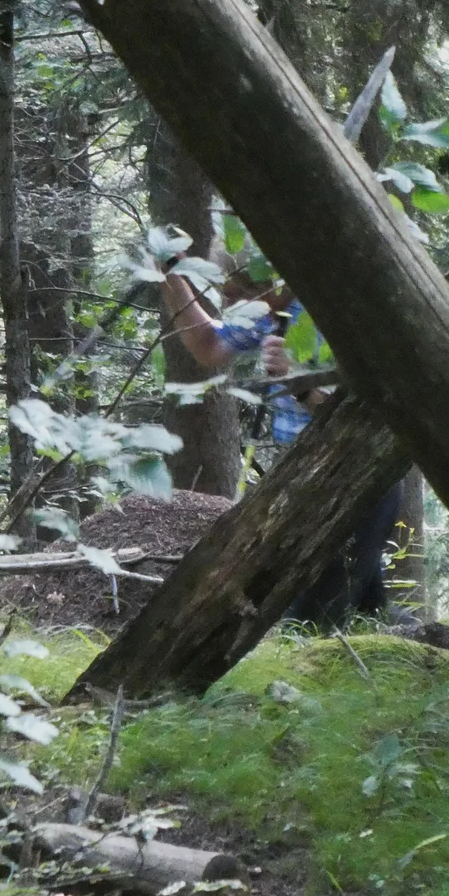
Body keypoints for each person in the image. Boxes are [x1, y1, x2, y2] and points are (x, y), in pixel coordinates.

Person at [159, 253, 402, 624]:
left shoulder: (335, 312)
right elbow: (209, 345)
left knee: (311, 618)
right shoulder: (269, 313)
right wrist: (172, 279)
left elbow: (366, 415)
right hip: (306, 470)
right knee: (365, 615)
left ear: (273, 283)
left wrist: (298, 382)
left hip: (358, 471)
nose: (229, 306)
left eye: (236, 295)